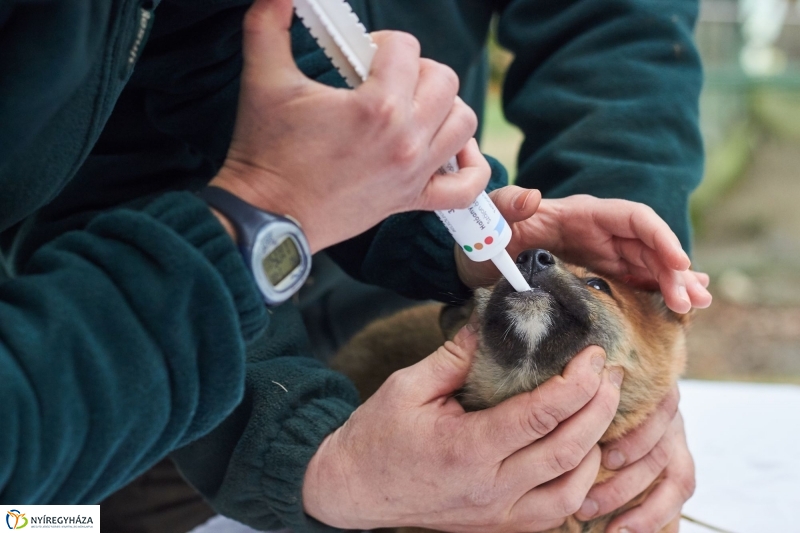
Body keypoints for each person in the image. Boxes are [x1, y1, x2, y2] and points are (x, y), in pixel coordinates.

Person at [1, 1, 710, 533]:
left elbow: (177, 70)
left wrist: (469, 236)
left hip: (246, 348)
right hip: (104, 390)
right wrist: (314, 460)